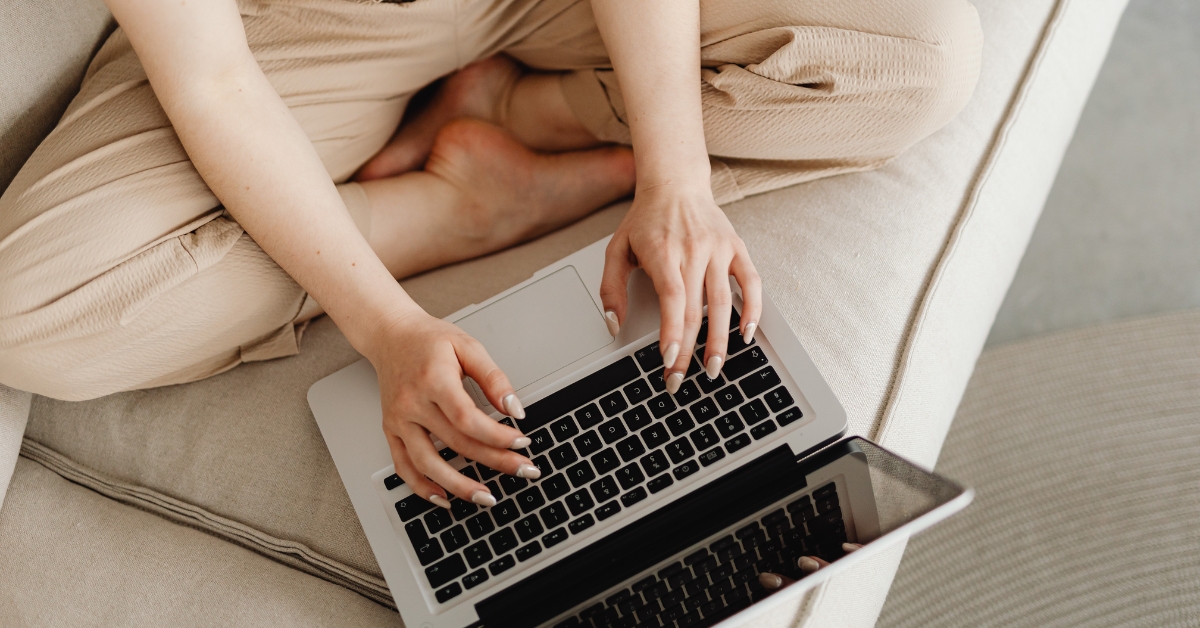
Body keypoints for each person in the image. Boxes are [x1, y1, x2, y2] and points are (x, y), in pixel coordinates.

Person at [0, 0, 981, 510]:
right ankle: (455, 208)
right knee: (29, 320)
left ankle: (528, 111)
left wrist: (675, 181)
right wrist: (386, 325)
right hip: (292, 33)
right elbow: (211, 80)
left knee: (916, 55)